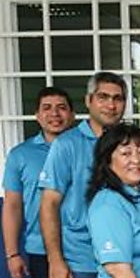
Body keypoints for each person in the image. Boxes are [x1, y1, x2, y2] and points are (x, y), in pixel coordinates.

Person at [39, 72, 127, 278]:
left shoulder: (130, 142)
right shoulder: (66, 144)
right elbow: (49, 203)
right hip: (81, 260)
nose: (111, 105)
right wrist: (55, 259)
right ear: (88, 101)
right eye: (103, 97)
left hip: (125, 255)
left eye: (118, 99)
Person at [3, 87, 75, 278]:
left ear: (72, 114)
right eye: (47, 107)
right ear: (37, 115)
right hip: (40, 248)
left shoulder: (86, 149)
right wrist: (12, 254)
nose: (54, 113)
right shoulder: (20, 155)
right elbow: (12, 205)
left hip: (83, 248)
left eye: (61, 107)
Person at [86, 123, 140, 277]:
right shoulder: (109, 204)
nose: (136, 160)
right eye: (126, 153)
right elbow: (118, 270)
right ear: (107, 160)